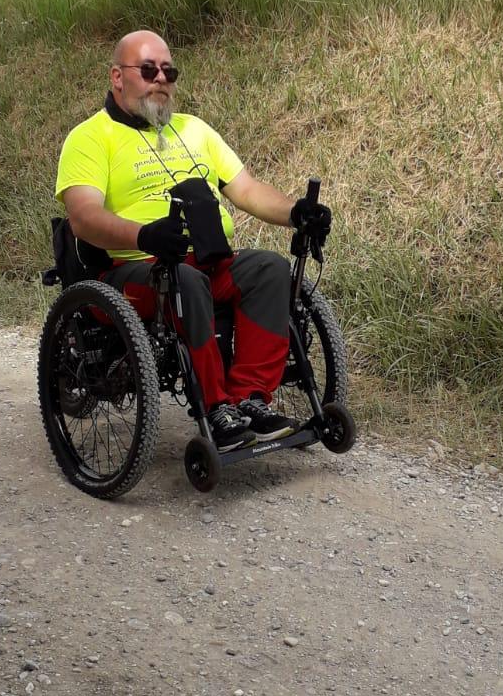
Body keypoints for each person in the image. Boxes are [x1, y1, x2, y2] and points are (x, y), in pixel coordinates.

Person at [55, 29, 333, 451]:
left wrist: (296, 212)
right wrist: (144, 234)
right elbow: (84, 218)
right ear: (117, 76)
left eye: (169, 71)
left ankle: (251, 400)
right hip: (135, 271)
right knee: (185, 282)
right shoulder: (89, 138)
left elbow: (247, 190)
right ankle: (217, 411)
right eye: (148, 70)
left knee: (270, 269)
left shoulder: (196, 130)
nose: (161, 79)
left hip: (206, 259)